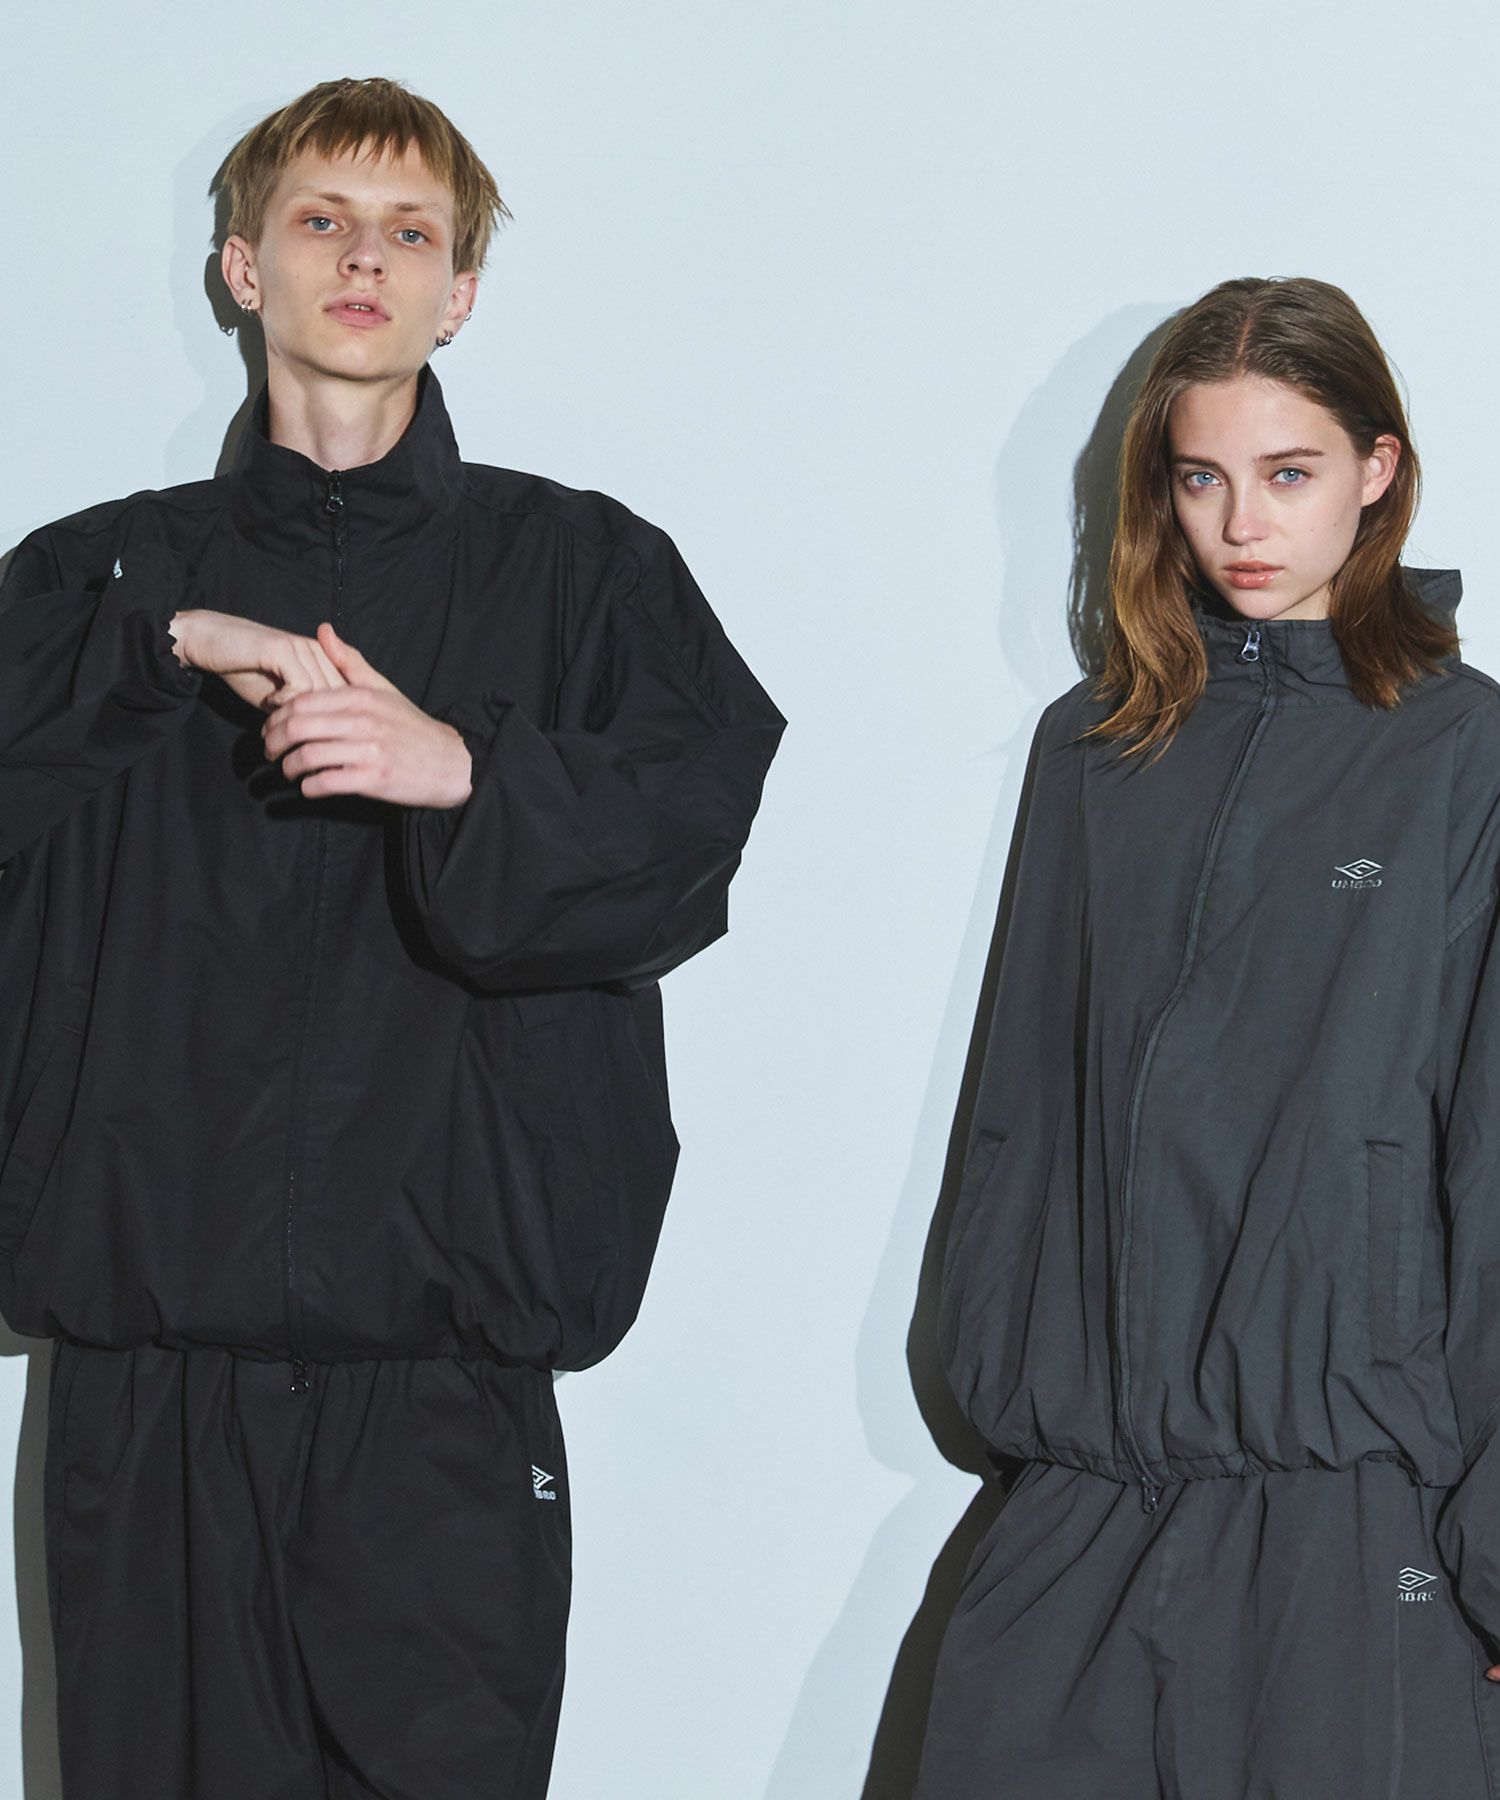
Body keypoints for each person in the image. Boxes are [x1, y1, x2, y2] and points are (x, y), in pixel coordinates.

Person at [0, 75, 783, 1800]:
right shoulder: (91, 582)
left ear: (461, 293)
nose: (366, 260)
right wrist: (159, 640)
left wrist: (466, 776)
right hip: (151, 1388)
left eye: (411, 232)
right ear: (241, 267)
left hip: (443, 1402)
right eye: (323, 221)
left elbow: (693, 837)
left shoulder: (588, 576)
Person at [916, 276, 1500, 1796]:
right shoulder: (1096, 747)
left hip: (1357, 1510)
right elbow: (1021, 1105)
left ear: (1376, 472)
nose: (1243, 523)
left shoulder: (1465, 755)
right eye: (1202, 478)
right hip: (1083, 1496)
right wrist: (1006, 1397)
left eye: (1288, 473)